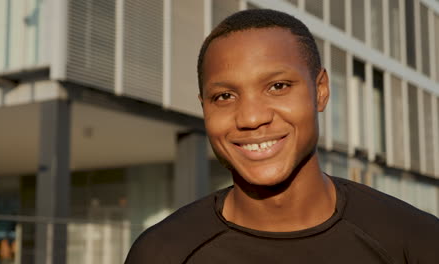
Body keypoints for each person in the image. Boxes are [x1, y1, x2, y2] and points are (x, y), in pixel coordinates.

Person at [125, 9, 439, 264]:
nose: (251, 117)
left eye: (278, 87)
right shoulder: (162, 253)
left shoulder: (415, 241)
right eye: (224, 96)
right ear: (204, 108)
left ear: (320, 91)